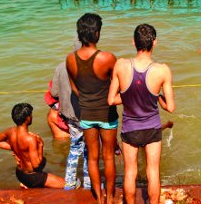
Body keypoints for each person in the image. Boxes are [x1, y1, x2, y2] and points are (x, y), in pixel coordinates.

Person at [108, 24, 175, 204]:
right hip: (152, 129)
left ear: (133, 42)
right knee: (153, 171)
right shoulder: (162, 70)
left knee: (130, 172)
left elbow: (111, 100)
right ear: (155, 42)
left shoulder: (121, 64)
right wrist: (156, 96)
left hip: (130, 128)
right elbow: (170, 107)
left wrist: (128, 95)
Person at [66, 13, 119, 204]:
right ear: (96, 33)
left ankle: (99, 198)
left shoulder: (70, 59)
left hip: (86, 113)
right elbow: (118, 85)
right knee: (108, 157)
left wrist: (87, 98)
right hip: (107, 114)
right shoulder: (108, 58)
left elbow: (74, 88)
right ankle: (110, 198)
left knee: (93, 158)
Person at [0, 103, 65, 189]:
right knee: (71, 185)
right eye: (31, 115)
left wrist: (15, 148)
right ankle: (31, 184)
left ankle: (27, 185)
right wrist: (40, 145)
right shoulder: (30, 139)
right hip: (32, 177)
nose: (32, 117)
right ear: (27, 118)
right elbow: (36, 165)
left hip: (19, 173)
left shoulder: (10, 131)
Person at [51, 40, 91, 190]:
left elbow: (54, 93)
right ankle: (89, 183)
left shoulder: (61, 67)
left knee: (74, 148)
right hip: (88, 116)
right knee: (89, 150)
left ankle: (70, 183)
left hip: (70, 117)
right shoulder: (90, 68)